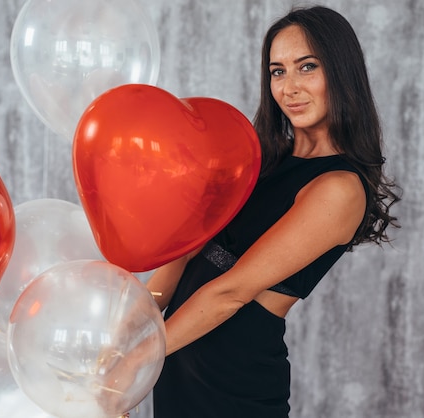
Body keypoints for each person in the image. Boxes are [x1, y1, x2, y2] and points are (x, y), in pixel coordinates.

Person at [146, 5, 401, 417]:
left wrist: (137, 359)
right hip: (177, 364)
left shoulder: (339, 187)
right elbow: (188, 251)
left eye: (307, 67)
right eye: (277, 71)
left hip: (233, 386)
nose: (289, 87)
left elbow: (233, 292)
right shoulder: (260, 159)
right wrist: (130, 323)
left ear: (341, 71)